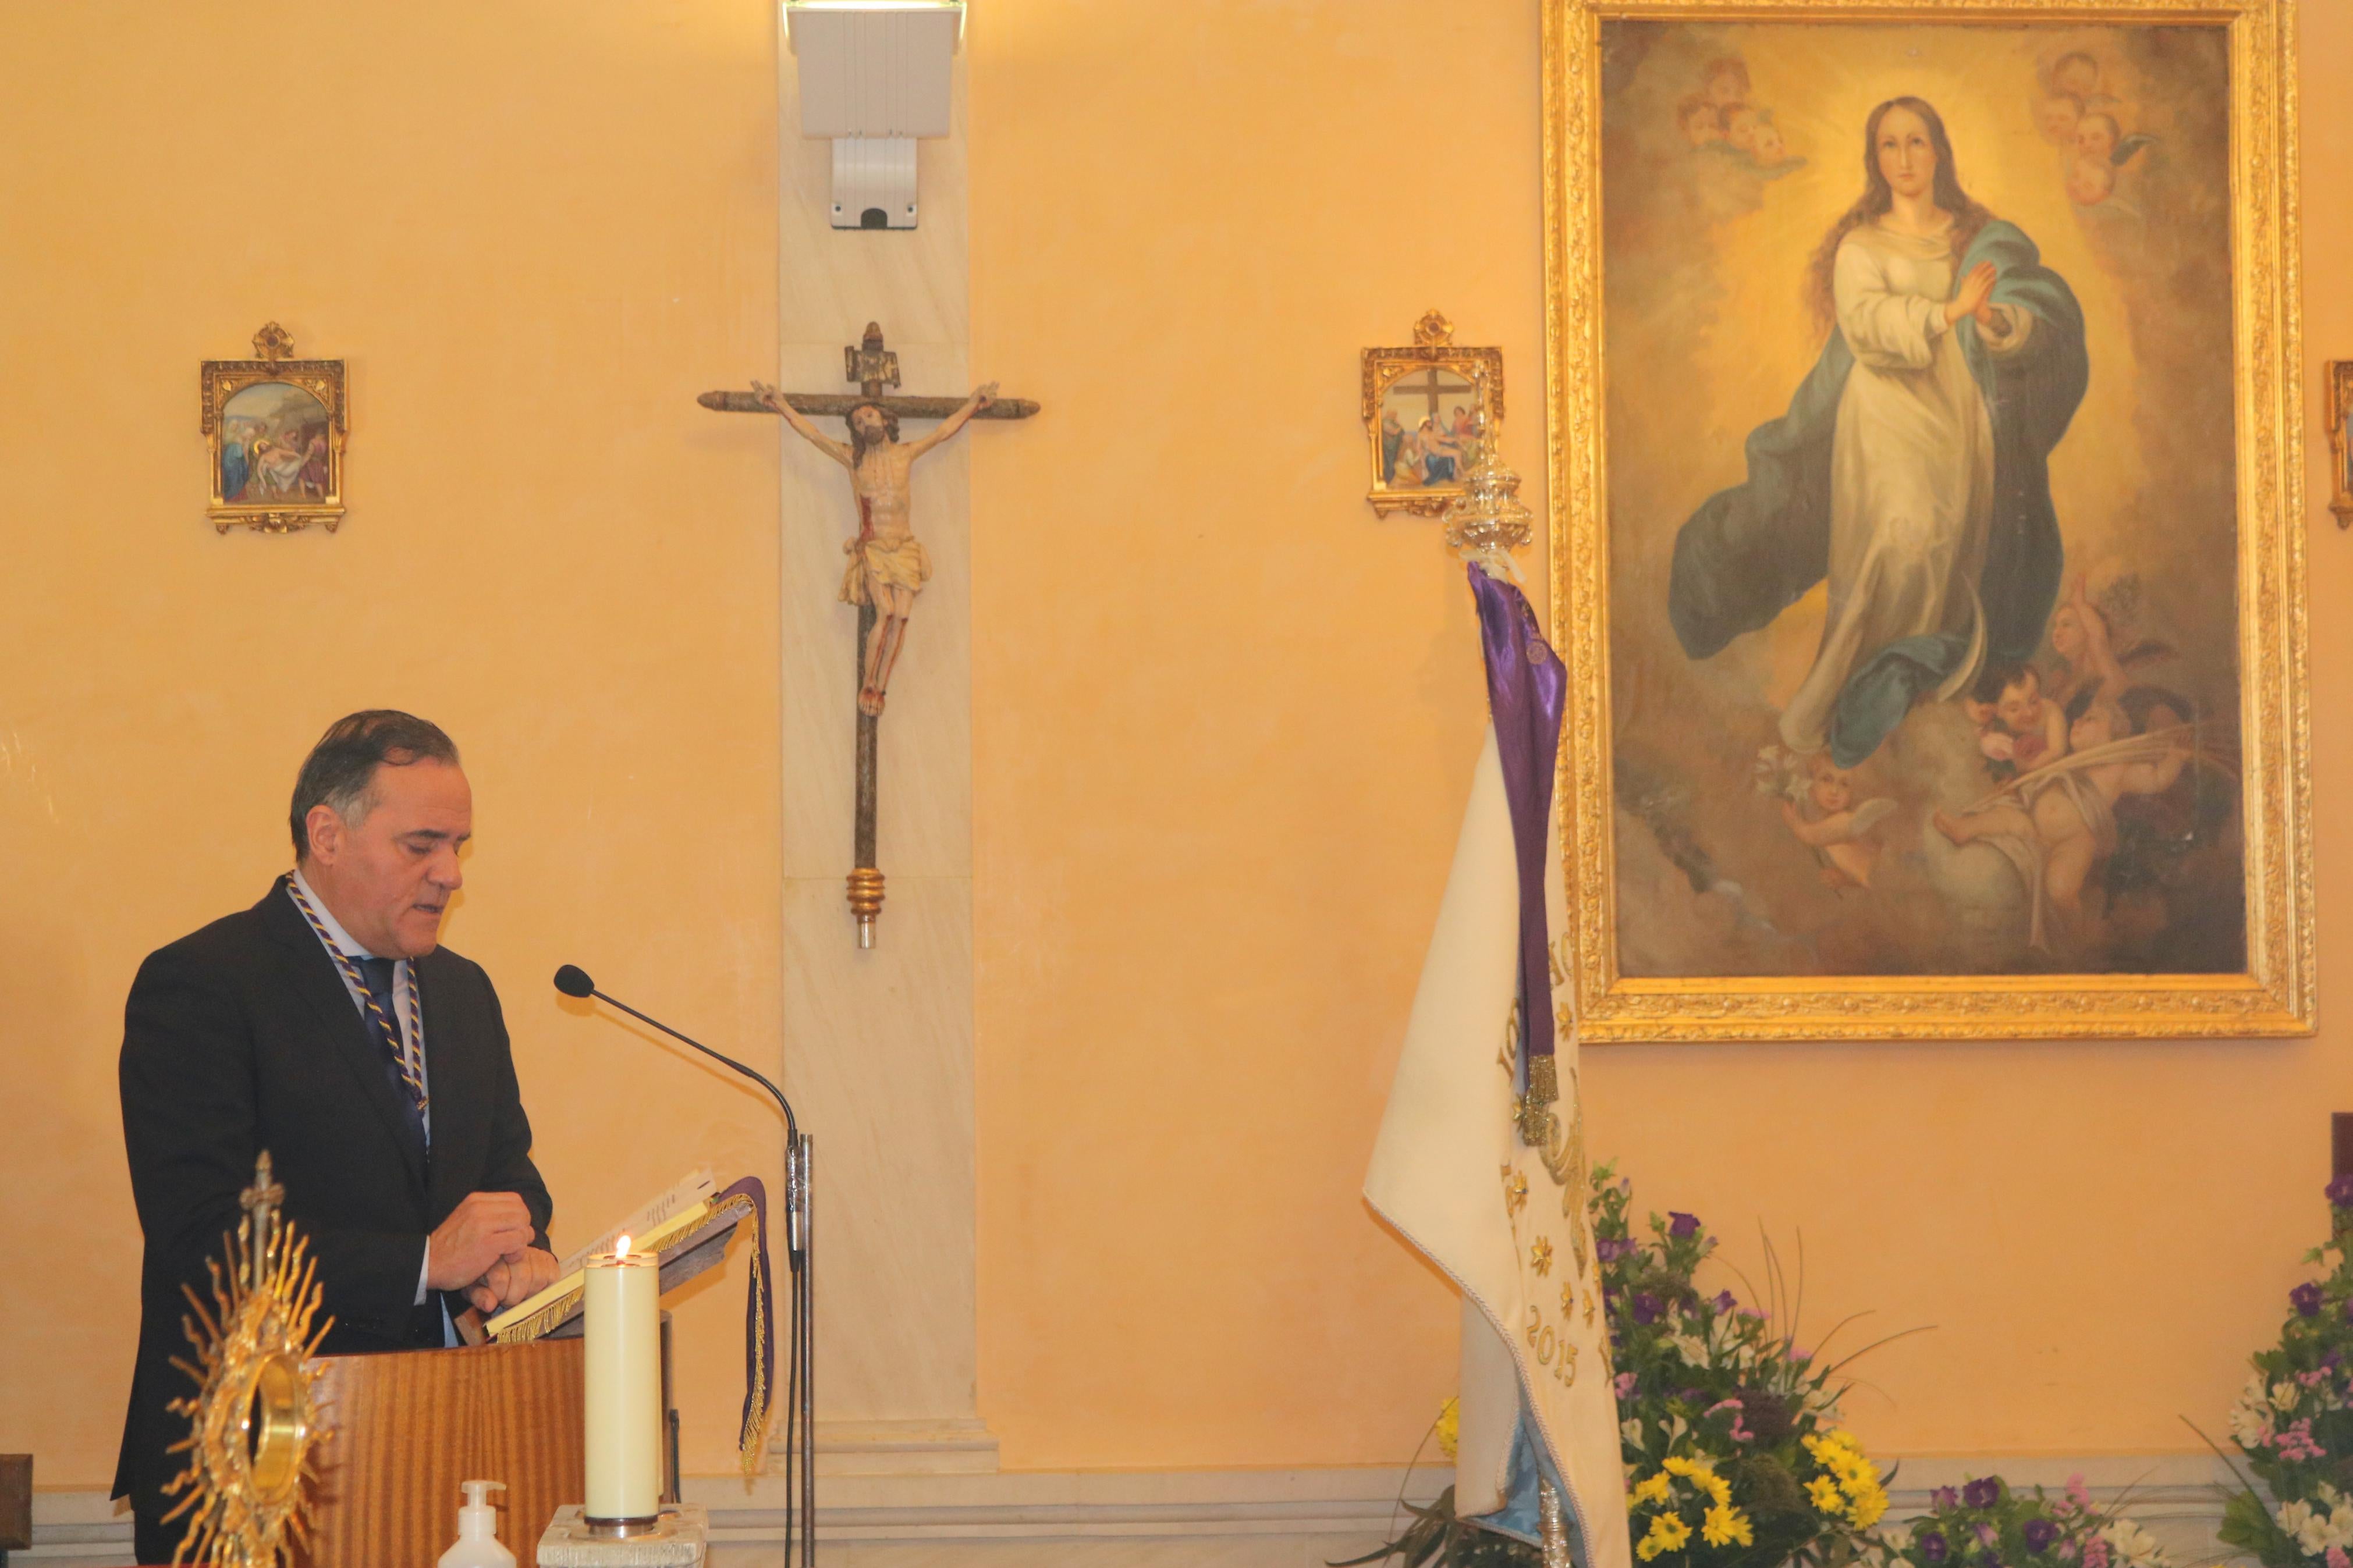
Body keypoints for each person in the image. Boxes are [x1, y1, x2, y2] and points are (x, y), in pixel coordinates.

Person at [114, 711, 556, 1563]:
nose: (451, 873)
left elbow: (511, 1177)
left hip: (449, 1449)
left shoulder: (463, 993)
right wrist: (426, 1263)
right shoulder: (204, 985)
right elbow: (201, 1236)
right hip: (255, 1467)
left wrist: (514, 1253)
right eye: (421, 843)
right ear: (327, 832)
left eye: (459, 843)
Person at [1669, 95, 2088, 769]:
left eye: (1915, 143)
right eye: (1889, 146)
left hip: (1956, 412)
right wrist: (1947, 309)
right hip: (1885, 412)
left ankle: (1915, 695)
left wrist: (1992, 324)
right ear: (1874, 160)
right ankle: (1841, 694)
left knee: (1951, 549)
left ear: (1938, 151)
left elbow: (2018, 318)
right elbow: (1864, 326)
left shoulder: (1975, 240)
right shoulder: (1859, 246)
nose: (1903, 159)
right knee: (1898, 544)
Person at [753, 379, 996, 716]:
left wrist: (973, 404)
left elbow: (943, 432)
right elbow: (812, 435)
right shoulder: (854, 461)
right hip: (875, 547)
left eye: (869, 416)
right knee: (886, 611)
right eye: (858, 422)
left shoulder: (906, 453)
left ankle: (882, 686)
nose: (865, 424)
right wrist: (779, 403)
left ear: (885, 419)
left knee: (904, 616)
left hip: (905, 545)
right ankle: (869, 682)